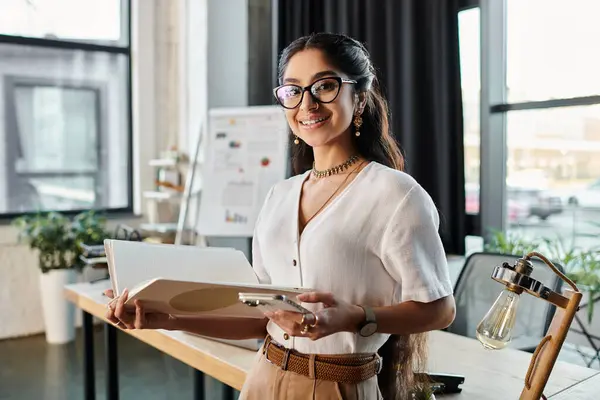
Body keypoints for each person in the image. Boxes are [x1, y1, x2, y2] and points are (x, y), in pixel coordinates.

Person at [105, 32, 456, 400]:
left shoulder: (395, 194)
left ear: (361, 97)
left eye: (325, 86)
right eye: (293, 90)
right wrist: (164, 320)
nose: (308, 103)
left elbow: (439, 309)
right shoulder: (280, 195)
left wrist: (356, 316)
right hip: (264, 376)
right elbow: (260, 317)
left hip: (340, 385)